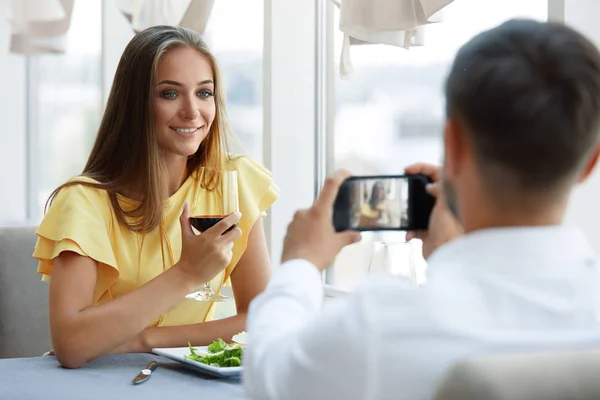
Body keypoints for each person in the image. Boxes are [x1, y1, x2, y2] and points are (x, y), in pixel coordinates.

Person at [244, 18, 600, 400]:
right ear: (590, 163)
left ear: (454, 143)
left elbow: (270, 379)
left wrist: (301, 263)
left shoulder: (382, 324)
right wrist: (453, 252)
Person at [32, 25, 278, 369]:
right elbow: (72, 346)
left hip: (189, 383)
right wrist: (186, 274)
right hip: (99, 383)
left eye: (204, 93)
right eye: (170, 94)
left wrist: (143, 341)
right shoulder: (83, 203)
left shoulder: (232, 185)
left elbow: (264, 319)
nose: (193, 112)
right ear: (135, 104)